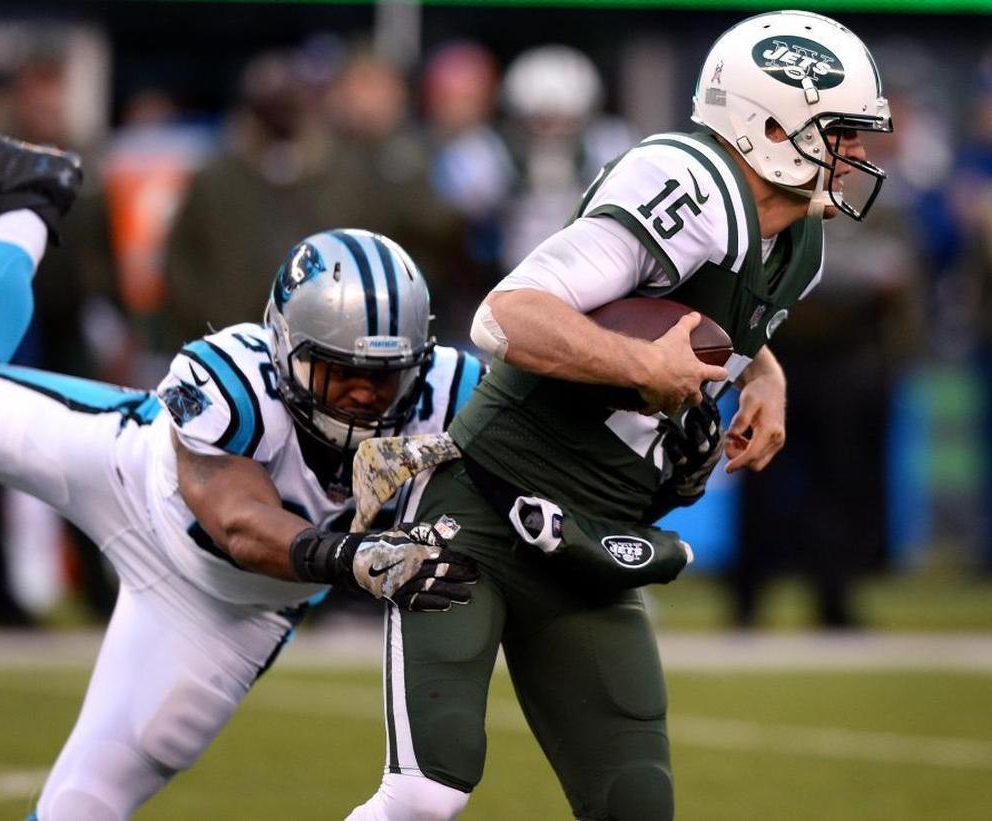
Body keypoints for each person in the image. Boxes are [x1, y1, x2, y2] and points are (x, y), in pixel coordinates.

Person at [346, 10, 892, 820]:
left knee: (636, 802)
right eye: (841, 132)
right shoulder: (690, 184)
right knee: (428, 789)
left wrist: (765, 369)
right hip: (485, 513)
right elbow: (507, 315)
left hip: (590, 539)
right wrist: (641, 364)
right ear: (770, 125)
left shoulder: (797, 247)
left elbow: (716, 317)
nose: (857, 155)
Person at [0, 120, 483, 819]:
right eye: (339, 370)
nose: (364, 393)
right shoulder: (233, 374)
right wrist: (352, 555)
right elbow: (236, 518)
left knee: (83, 805)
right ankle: (27, 202)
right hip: (127, 475)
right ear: (284, 348)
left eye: (384, 375)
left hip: (227, 609)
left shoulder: (451, 392)